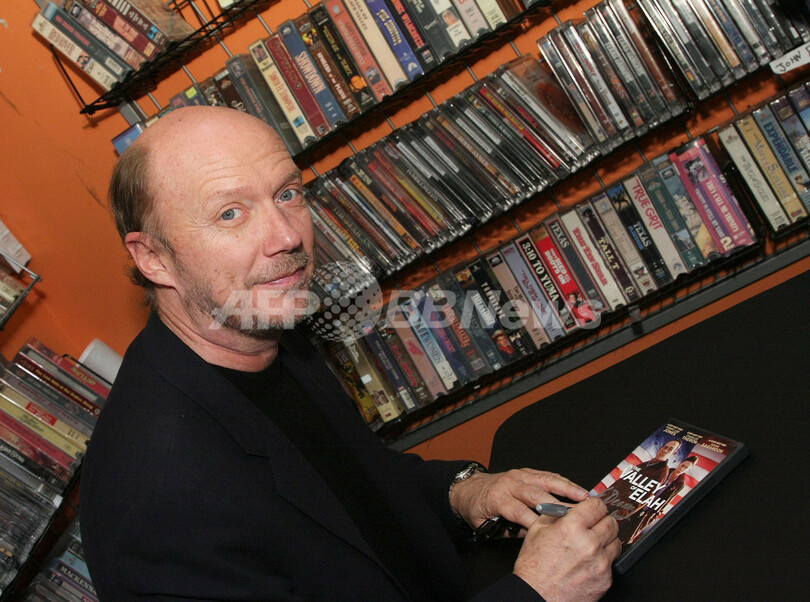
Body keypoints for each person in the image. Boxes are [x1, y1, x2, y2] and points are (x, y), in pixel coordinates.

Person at [80, 106, 620, 600]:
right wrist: (538, 594)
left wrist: (466, 492)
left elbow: (354, 492)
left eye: (287, 193)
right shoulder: (156, 501)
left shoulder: (267, 329)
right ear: (154, 259)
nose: (286, 237)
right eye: (230, 214)